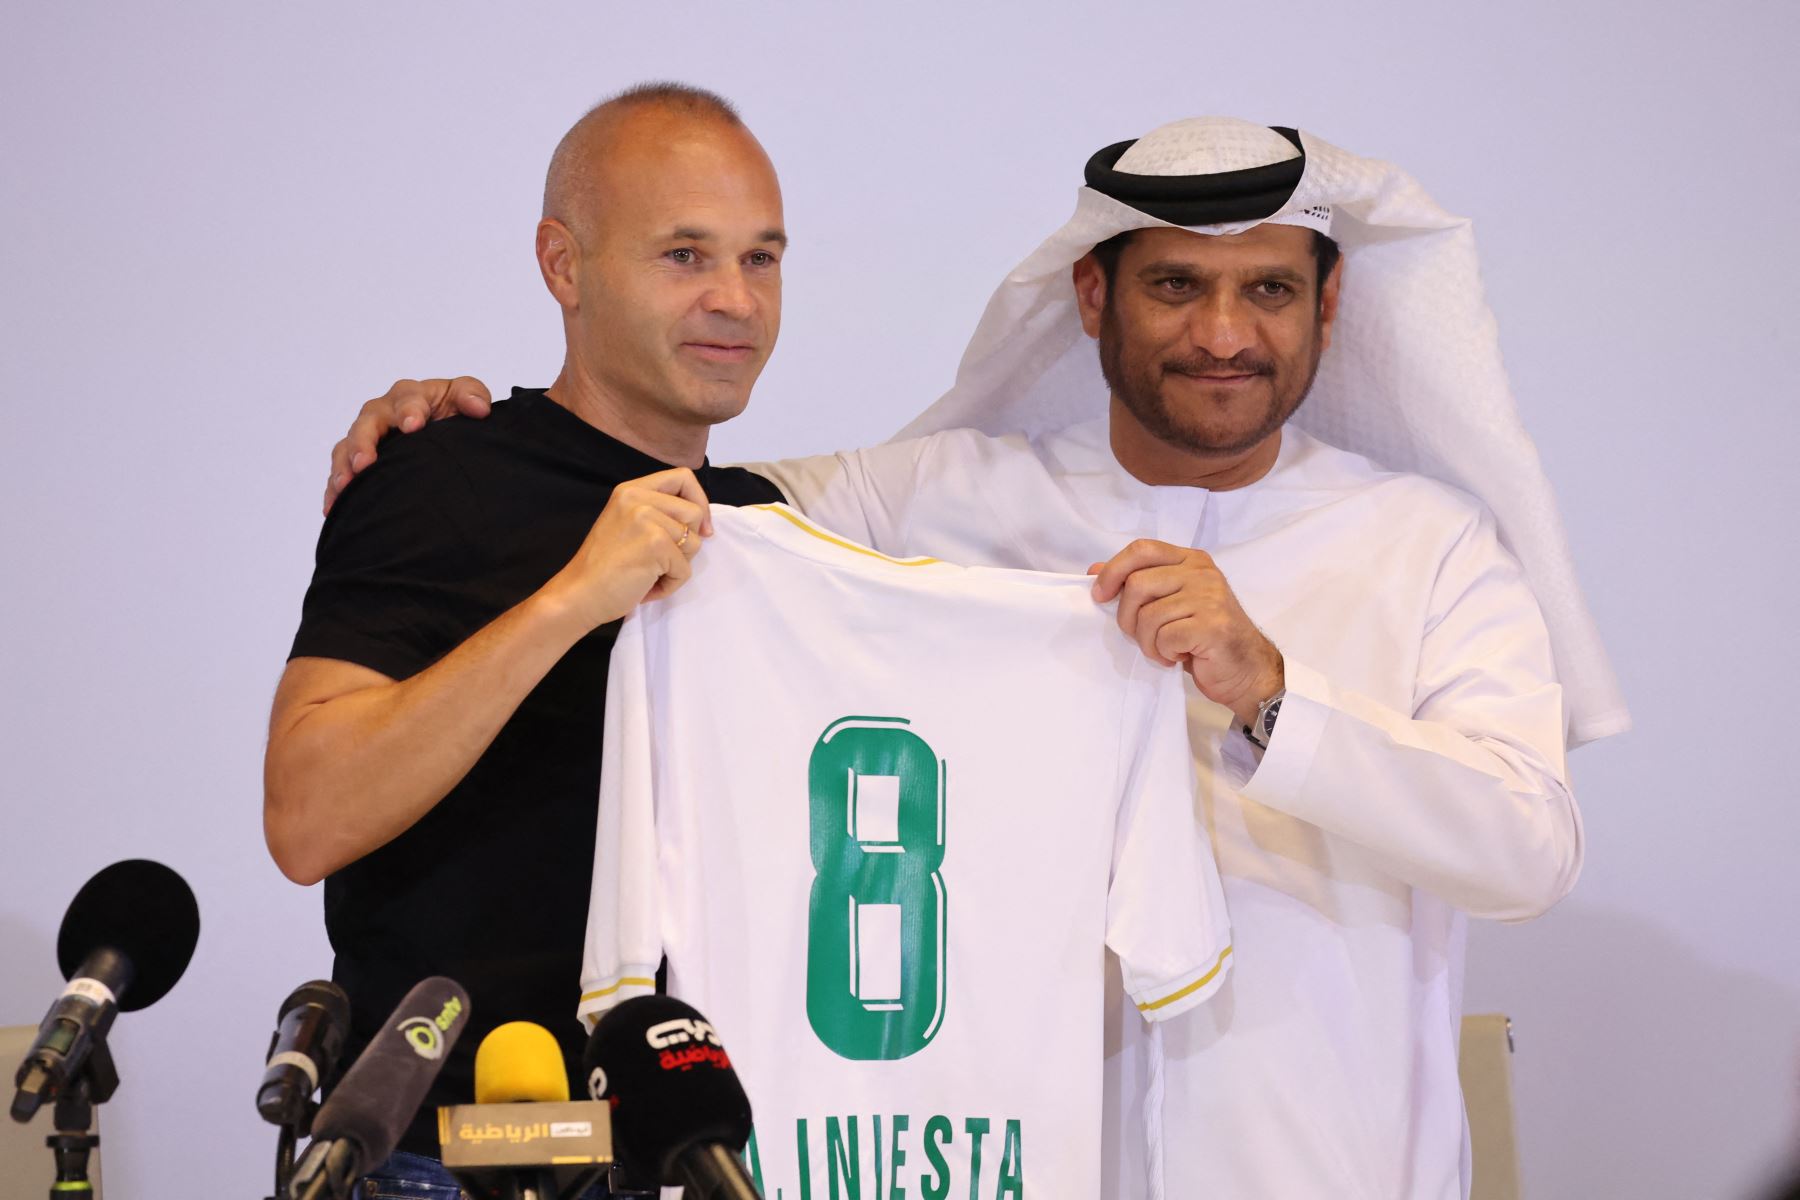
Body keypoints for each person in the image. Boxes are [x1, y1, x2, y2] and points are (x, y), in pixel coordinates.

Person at [325, 117, 1627, 1198]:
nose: (1224, 332)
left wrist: (1274, 697)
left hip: (1315, 1166)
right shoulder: (947, 497)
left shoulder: (1428, 545)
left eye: (1269, 290)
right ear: (1092, 295)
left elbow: (1528, 849)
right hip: (998, 1159)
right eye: (1177, 284)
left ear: (1329, 305)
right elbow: (646, 491)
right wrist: (454, 439)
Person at [262, 83, 788, 1196]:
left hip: (703, 1147)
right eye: (685, 256)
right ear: (564, 265)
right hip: (454, 1154)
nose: (735, 301)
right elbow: (307, 815)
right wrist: (572, 598)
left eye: (761, 259)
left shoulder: (769, 523)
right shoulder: (436, 471)